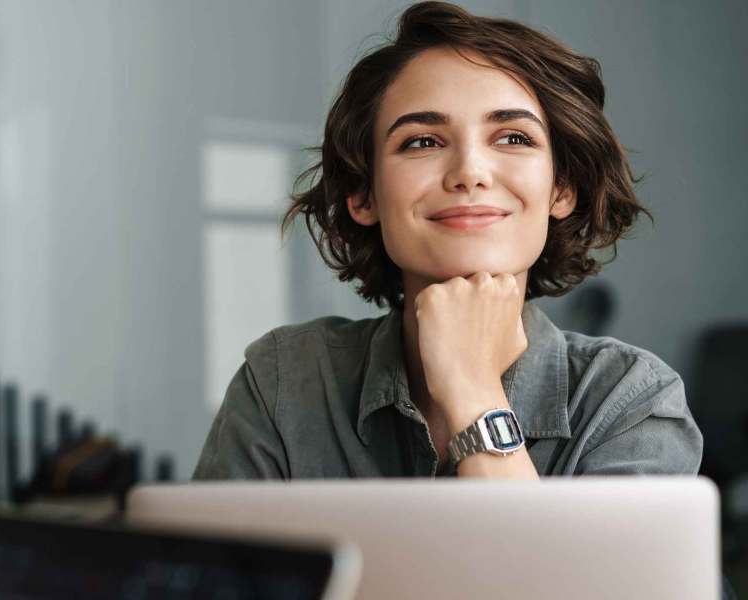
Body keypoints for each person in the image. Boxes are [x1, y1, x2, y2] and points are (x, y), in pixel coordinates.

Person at [192, 1, 703, 482]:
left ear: (562, 188)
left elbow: (552, 582)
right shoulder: (283, 382)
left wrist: (472, 390)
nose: (469, 173)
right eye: (422, 142)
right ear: (363, 195)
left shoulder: (631, 400)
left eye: (513, 138)